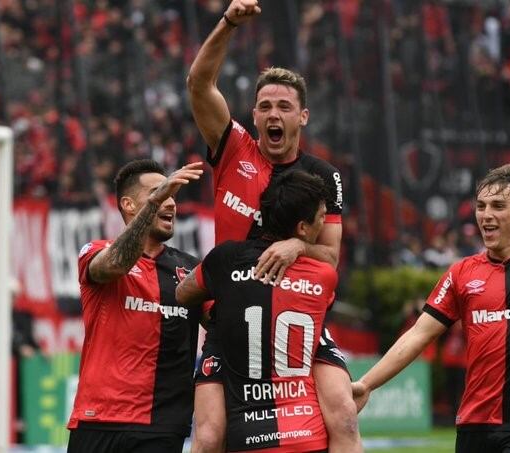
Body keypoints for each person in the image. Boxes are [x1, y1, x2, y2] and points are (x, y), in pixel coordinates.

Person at [186, 1, 360, 451]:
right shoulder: (233, 150)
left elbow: (330, 256)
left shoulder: (323, 176)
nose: (273, 114)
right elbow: (198, 83)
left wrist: (295, 248)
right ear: (255, 115)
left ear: (302, 116)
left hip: (298, 319)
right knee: (209, 438)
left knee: (343, 415)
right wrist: (227, 24)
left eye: (284, 106)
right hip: (230, 320)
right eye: (264, 106)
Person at [352, 164, 510, 453]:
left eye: (498, 206)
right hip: (475, 422)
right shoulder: (461, 273)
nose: (486, 214)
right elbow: (418, 335)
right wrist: (366, 384)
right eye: (481, 206)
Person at [177, 170, 336, 452]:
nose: (323, 226)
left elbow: (183, 293)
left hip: (245, 436)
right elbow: (329, 261)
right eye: (322, 217)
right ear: (302, 228)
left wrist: (223, 314)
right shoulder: (322, 276)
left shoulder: (225, 259)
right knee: (345, 413)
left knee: (207, 438)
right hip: (308, 436)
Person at [66, 159, 205, 453]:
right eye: (159, 193)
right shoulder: (96, 251)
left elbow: (224, 324)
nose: (170, 203)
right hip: (99, 420)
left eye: (172, 196)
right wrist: (154, 202)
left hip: (162, 425)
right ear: (128, 205)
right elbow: (115, 265)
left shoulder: (192, 271)